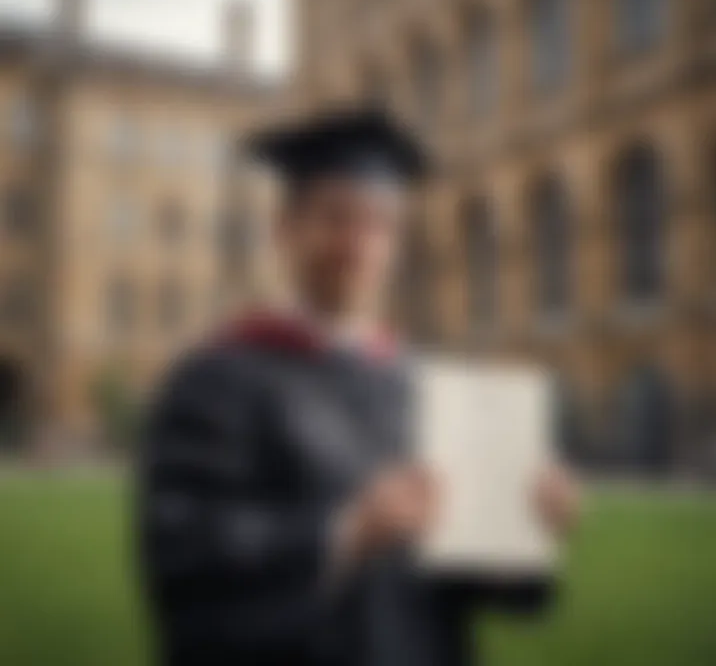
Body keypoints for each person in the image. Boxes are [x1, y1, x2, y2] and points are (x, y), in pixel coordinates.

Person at [138, 109, 580, 666]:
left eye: (380, 223)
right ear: (286, 229)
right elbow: (185, 563)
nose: (358, 243)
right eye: (335, 217)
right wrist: (346, 533)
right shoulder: (214, 382)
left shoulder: (422, 389)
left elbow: (469, 584)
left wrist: (523, 530)